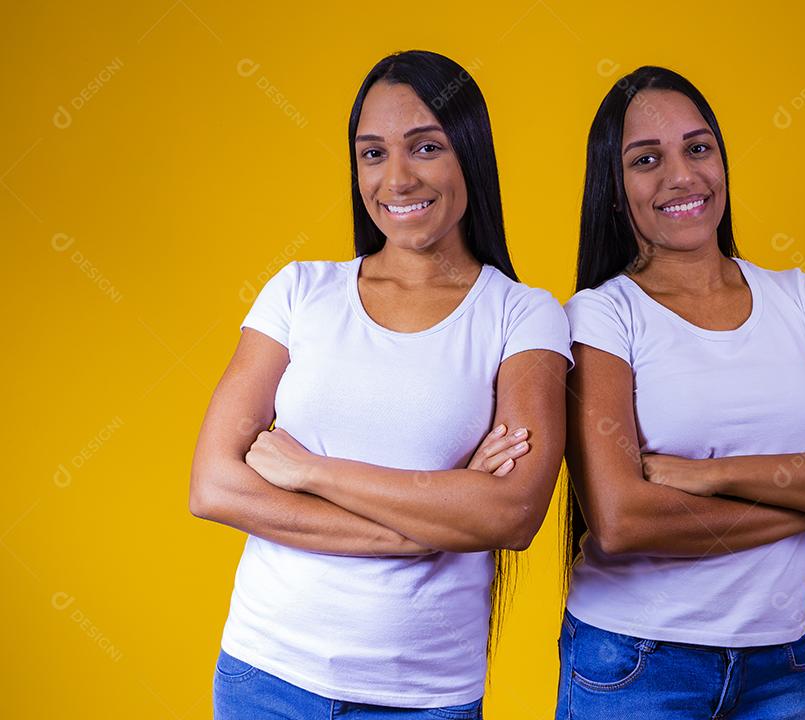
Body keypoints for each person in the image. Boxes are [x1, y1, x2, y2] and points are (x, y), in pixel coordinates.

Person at [189, 50, 572, 720]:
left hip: (423, 700)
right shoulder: (300, 292)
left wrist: (309, 470)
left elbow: (512, 515)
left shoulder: (523, 314)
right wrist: (425, 528)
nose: (396, 178)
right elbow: (213, 486)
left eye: (424, 147)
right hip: (265, 677)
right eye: (372, 154)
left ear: (470, 155)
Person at [555, 65, 805, 719]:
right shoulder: (601, 317)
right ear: (615, 189)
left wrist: (707, 476)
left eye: (698, 148)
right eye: (647, 160)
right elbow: (621, 521)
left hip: (779, 667)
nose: (682, 177)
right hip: (638, 666)